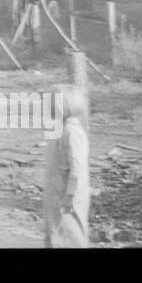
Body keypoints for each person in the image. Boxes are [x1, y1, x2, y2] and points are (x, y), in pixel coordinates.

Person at [43, 84, 90, 248]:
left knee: (70, 235)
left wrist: (70, 195)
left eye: (50, 104)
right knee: (55, 234)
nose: (46, 108)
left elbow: (78, 168)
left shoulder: (72, 132)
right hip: (56, 193)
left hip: (68, 196)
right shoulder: (59, 130)